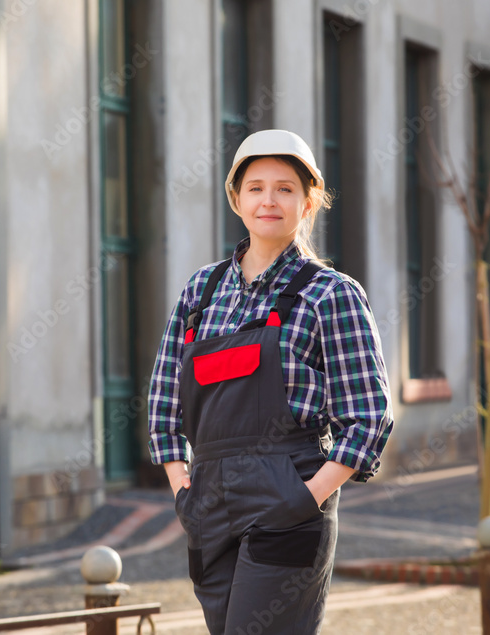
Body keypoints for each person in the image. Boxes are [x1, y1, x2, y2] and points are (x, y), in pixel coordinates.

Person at [147, 129, 393, 633]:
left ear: (308, 203)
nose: (269, 200)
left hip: (289, 493)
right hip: (209, 503)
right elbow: (163, 402)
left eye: (285, 188)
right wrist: (183, 493)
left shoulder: (330, 294)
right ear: (236, 198)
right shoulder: (202, 290)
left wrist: (306, 496)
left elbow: (369, 416)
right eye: (256, 187)